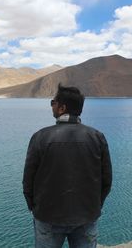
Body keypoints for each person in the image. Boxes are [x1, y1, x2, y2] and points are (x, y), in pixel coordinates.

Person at [22, 84, 112, 248]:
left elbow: (28, 181)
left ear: (62, 108)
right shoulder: (97, 137)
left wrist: (34, 208)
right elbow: (106, 181)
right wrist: (94, 206)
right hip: (86, 215)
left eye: (53, 102)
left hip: (47, 216)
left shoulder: (40, 137)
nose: (52, 105)